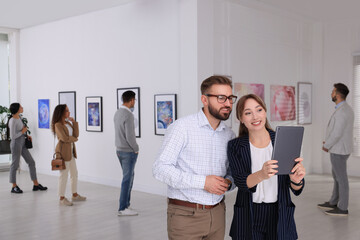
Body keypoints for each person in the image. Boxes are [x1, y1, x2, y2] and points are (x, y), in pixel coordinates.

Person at [153, 75, 237, 240]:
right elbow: (160, 168)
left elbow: (231, 173)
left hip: (218, 213)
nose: (227, 103)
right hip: (185, 217)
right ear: (204, 100)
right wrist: (204, 182)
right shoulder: (181, 128)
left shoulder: (229, 135)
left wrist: (228, 182)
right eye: (221, 98)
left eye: (230, 98)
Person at [227, 94, 306, 240]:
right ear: (241, 119)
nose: (255, 117)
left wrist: (296, 180)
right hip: (248, 215)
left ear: (265, 112)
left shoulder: (283, 141)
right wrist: (261, 175)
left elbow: (296, 188)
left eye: (259, 110)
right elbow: (240, 181)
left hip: (279, 213)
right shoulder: (235, 146)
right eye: (248, 113)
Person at [318, 83, 354, 216]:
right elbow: (338, 131)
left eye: (333, 91)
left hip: (339, 150)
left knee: (341, 178)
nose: (331, 93)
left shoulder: (343, 111)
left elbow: (337, 133)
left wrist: (327, 145)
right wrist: (328, 142)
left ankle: (343, 208)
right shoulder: (345, 109)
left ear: (337, 95)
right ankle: (334, 201)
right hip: (339, 148)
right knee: (337, 177)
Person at [7, 103, 47, 193]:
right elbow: (13, 136)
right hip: (16, 144)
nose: (22, 107)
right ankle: (14, 186)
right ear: (17, 109)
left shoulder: (19, 117)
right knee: (15, 165)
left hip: (23, 143)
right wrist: (22, 132)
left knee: (31, 162)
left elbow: (22, 130)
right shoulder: (12, 121)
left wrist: (26, 135)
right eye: (21, 107)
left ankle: (36, 184)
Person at [51, 104, 86, 206]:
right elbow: (64, 138)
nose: (69, 112)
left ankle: (74, 195)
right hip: (63, 152)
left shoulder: (68, 123)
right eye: (67, 110)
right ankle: (62, 198)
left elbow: (76, 134)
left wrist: (74, 122)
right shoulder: (57, 124)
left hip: (71, 151)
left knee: (74, 174)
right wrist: (74, 139)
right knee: (64, 175)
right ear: (61, 112)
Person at [114, 90, 139, 216]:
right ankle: (123, 208)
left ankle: (126, 205)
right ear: (132, 100)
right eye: (134, 100)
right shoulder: (128, 115)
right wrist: (136, 148)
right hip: (128, 151)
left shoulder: (118, 112)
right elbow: (130, 136)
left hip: (119, 150)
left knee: (127, 178)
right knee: (127, 180)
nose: (135, 102)